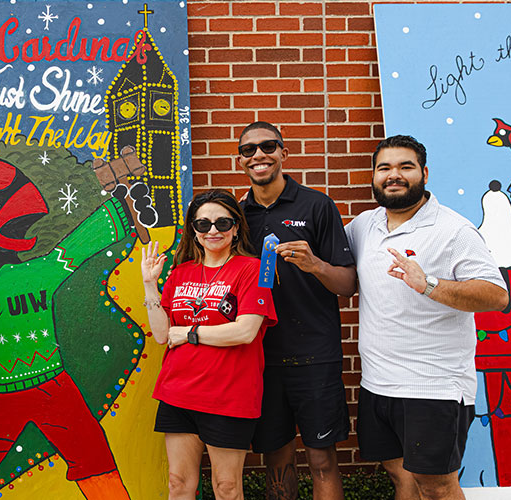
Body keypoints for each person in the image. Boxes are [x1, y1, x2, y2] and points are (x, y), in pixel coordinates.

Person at [345, 135, 509, 500]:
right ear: (374, 176)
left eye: (406, 167)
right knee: (400, 476)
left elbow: (497, 296)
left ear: (424, 174)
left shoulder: (454, 230)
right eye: (384, 168)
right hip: (378, 384)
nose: (394, 175)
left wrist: (428, 284)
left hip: (433, 386)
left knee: (436, 486)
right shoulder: (364, 225)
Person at [237, 122, 356, 500]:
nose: (259, 155)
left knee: (322, 460)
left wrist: (315, 265)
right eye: (249, 150)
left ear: (283, 153)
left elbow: (348, 284)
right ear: (240, 161)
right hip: (259, 355)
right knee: (276, 461)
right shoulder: (235, 216)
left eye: (268, 146)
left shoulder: (317, 205)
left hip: (314, 354)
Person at [140, 189, 277, 500]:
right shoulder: (181, 272)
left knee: (227, 487)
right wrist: (149, 285)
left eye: (222, 223)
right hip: (178, 393)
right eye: (203, 224)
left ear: (236, 227)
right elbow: (162, 334)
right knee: (178, 483)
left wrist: (190, 333)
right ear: (194, 231)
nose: (212, 230)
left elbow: (246, 331)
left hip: (229, 395)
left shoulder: (255, 269)